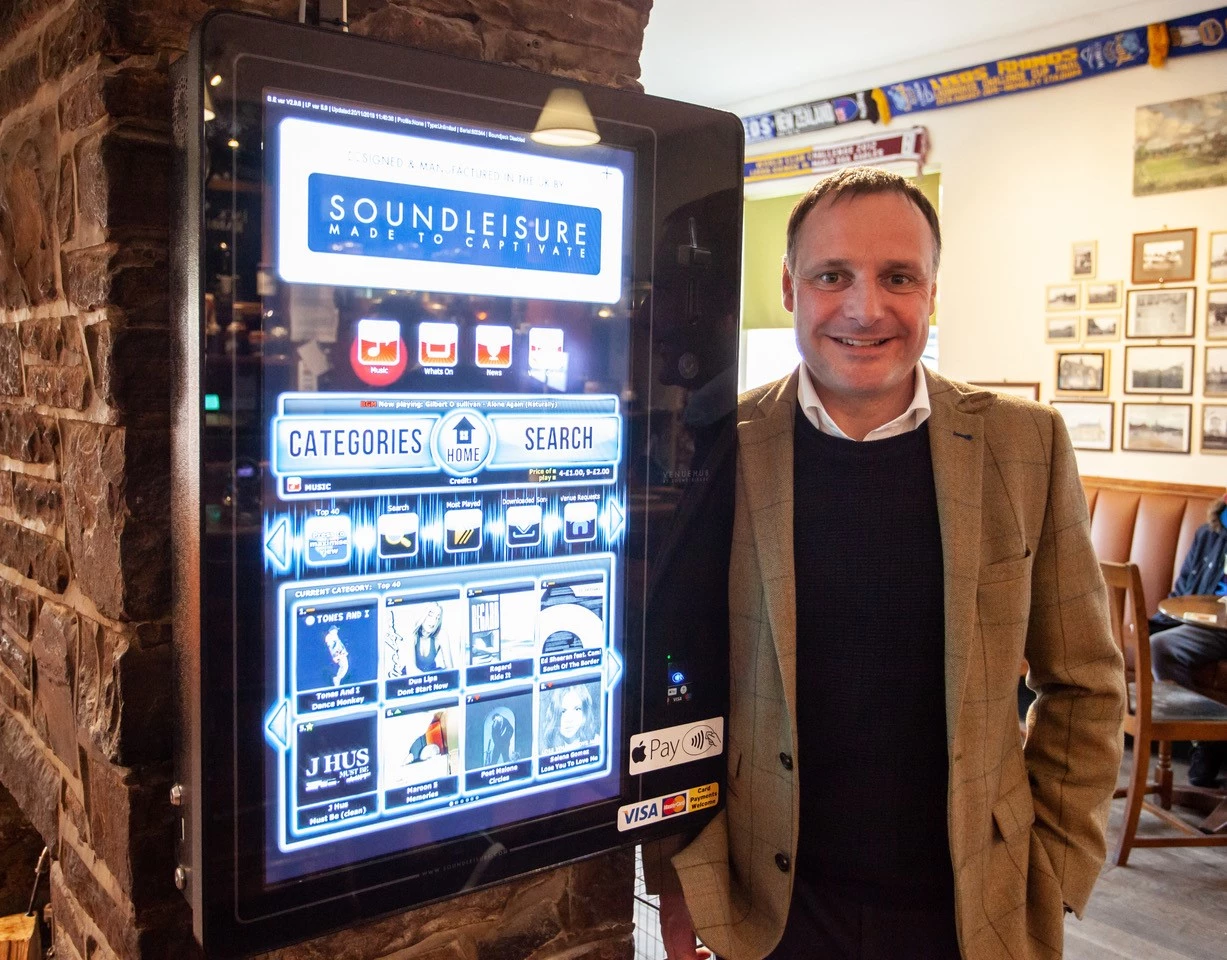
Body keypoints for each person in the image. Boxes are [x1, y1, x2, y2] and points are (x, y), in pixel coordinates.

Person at [644, 167, 1126, 960]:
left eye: (896, 276)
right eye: (832, 275)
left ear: (931, 293)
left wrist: (1057, 863)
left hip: (972, 907)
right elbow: (672, 686)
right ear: (790, 290)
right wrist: (676, 874)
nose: (865, 308)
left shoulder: (1025, 444)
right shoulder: (715, 443)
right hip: (767, 906)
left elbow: (1084, 680)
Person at [1148, 497, 1227, 787]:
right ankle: (1206, 740)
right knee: (1160, 645)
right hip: (1208, 627)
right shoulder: (1208, 532)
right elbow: (1182, 590)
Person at [539, 683, 601, 753]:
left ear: (584, 715)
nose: (569, 719)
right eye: (563, 711)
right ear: (555, 716)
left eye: (577, 709)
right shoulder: (546, 751)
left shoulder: (598, 742)